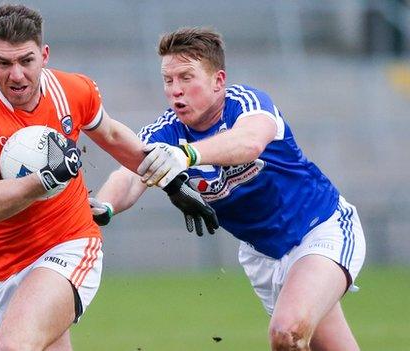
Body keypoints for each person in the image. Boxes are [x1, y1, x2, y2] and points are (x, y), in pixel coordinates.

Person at [0, 5, 214, 350]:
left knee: (13, 346)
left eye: (26, 61)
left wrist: (172, 182)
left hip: (69, 244)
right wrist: (44, 179)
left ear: (44, 55)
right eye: (4, 63)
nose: (16, 75)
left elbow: (114, 138)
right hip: (0, 267)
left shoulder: (72, 90)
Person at [91, 27, 366, 351]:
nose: (176, 90)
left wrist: (186, 154)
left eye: (186, 77)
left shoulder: (246, 104)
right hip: (264, 256)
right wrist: (104, 206)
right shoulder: (166, 131)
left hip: (321, 230)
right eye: (168, 80)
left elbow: (249, 142)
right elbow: (129, 174)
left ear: (218, 81)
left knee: (286, 332)